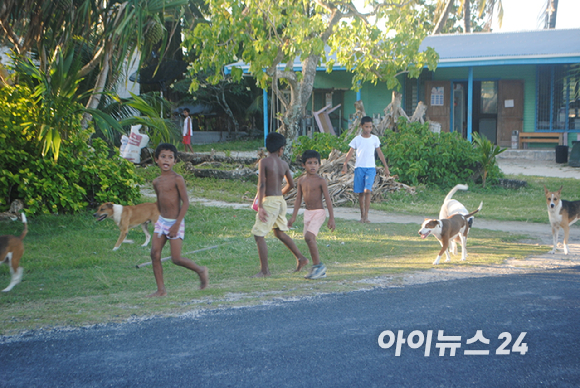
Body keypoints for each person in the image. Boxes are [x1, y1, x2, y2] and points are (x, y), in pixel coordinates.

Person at [148, 143, 208, 297]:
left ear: (175, 161)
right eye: (163, 157)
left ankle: (200, 270)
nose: (166, 160)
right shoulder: (156, 182)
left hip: (177, 221)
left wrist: (176, 224)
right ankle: (161, 290)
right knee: (154, 254)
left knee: (176, 258)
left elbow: (186, 202)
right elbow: (159, 202)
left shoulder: (177, 179)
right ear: (157, 160)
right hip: (162, 221)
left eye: (170, 157)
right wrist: (157, 219)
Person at [251, 132, 309, 277]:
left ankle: (265, 271)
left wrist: (261, 206)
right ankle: (301, 258)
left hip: (270, 201)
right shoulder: (284, 164)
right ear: (280, 149)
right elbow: (291, 184)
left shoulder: (263, 162)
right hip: (280, 201)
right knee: (278, 232)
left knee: (259, 235)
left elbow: (262, 184)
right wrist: (279, 194)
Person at [288, 150, 336, 279]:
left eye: (315, 163)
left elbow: (328, 199)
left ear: (319, 165)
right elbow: (298, 199)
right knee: (309, 239)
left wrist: (331, 218)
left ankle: (318, 266)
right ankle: (320, 271)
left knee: (309, 237)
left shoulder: (321, 181)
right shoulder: (301, 181)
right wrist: (293, 217)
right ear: (303, 165)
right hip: (308, 213)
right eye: (309, 163)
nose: (313, 166)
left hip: (319, 212)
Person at [341, 116, 390, 223]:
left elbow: (380, 153)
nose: (368, 129)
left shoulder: (375, 139)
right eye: (366, 127)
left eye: (370, 127)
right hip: (359, 168)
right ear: (361, 126)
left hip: (370, 168)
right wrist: (345, 164)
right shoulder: (357, 139)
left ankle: (367, 216)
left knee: (368, 190)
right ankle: (362, 215)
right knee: (361, 193)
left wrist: (386, 166)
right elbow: (350, 152)